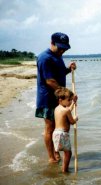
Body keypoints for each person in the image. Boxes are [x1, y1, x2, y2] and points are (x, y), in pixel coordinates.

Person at [35, 32, 77, 163]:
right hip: (47, 98)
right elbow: (50, 81)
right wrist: (68, 95)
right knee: (50, 127)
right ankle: (51, 157)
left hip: (59, 98)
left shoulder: (58, 56)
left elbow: (59, 73)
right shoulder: (44, 58)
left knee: (59, 127)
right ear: (52, 43)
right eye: (60, 48)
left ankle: (56, 150)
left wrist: (69, 69)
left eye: (65, 48)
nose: (62, 50)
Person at [53, 87, 78, 172]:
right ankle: (65, 170)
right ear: (60, 100)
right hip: (63, 134)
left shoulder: (57, 108)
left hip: (56, 133)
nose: (70, 102)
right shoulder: (66, 110)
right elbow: (72, 122)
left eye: (71, 100)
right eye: (69, 100)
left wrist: (73, 103)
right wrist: (76, 119)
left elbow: (68, 110)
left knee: (61, 150)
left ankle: (57, 160)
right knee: (68, 153)